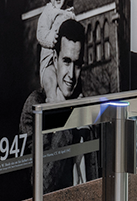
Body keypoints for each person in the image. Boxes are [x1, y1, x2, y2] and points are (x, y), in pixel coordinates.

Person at [18, 18, 89, 190]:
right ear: (55, 59)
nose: (71, 74)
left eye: (77, 64)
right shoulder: (34, 106)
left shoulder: (85, 103)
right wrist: (66, 119)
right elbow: (43, 183)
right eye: (66, 61)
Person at [34, 0, 76, 98]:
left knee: (71, 90)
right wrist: (51, 38)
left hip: (65, 64)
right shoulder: (48, 12)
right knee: (51, 84)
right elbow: (40, 33)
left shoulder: (71, 15)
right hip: (49, 63)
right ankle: (51, 103)